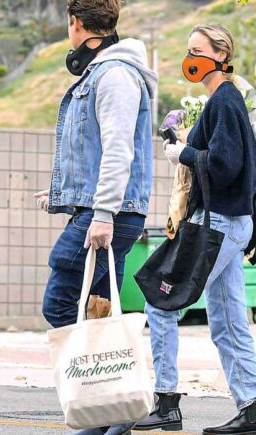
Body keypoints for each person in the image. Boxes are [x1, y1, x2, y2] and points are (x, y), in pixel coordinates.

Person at [134, 24, 256, 435]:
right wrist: (187, 149)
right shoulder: (224, 101)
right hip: (232, 224)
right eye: (189, 50)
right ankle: (252, 412)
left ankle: (167, 403)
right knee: (228, 321)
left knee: (161, 304)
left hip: (218, 225)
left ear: (220, 54)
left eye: (198, 50)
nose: (190, 58)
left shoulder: (224, 101)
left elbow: (225, 165)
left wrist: (184, 153)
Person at [34, 1, 157, 433]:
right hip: (106, 209)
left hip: (113, 213)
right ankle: (111, 406)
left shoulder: (116, 75)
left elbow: (121, 150)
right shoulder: (104, 73)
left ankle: (116, 399)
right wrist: (60, 195)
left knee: (61, 297)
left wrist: (101, 213)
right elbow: (94, 153)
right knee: (99, 309)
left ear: (77, 24)